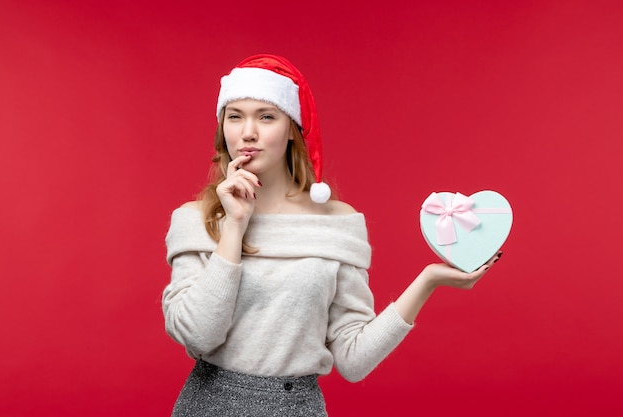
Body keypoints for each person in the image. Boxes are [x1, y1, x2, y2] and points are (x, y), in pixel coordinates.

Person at [162, 54, 502, 417]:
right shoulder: (194, 221)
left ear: (292, 128)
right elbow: (199, 336)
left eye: (266, 116)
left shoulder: (337, 224)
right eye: (235, 116)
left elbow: (353, 359)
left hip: (298, 406)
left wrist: (428, 280)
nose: (248, 132)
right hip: (208, 405)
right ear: (222, 127)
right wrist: (234, 226)